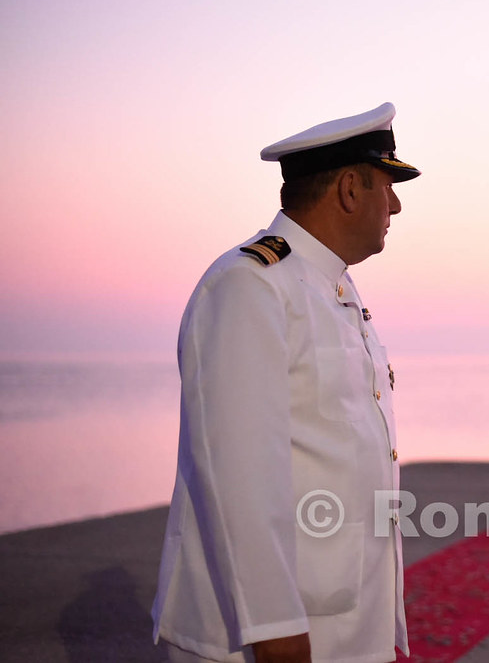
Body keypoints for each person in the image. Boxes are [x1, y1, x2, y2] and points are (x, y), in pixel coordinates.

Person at [151, 102, 419, 663]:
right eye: (387, 186)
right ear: (350, 189)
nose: (395, 205)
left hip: (342, 617)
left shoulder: (331, 287)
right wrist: (275, 628)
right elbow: (238, 471)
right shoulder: (250, 285)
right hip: (269, 633)